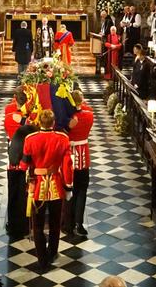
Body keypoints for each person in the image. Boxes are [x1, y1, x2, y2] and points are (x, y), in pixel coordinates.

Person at [22, 110, 74, 269]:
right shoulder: (62, 138)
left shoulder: (30, 139)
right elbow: (67, 165)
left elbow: (25, 164)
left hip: (37, 185)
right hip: (56, 185)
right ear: (53, 122)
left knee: (37, 225)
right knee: (55, 222)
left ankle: (41, 258)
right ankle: (52, 252)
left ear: (39, 122)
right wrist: (69, 186)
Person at [65, 92, 93, 236]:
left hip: (69, 158)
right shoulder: (88, 115)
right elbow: (86, 108)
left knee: (68, 190)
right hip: (83, 157)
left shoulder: (67, 118)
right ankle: (79, 223)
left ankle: (67, 223)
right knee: (81, 191)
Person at [5, 90, 29, 239]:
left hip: (13, 156)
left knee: (13, 191)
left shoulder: (8, 117)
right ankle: (24, 223)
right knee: (24, 191)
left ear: (16, 101)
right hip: (25, 158)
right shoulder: (30, 120)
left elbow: (8, 132)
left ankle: (13, 223)